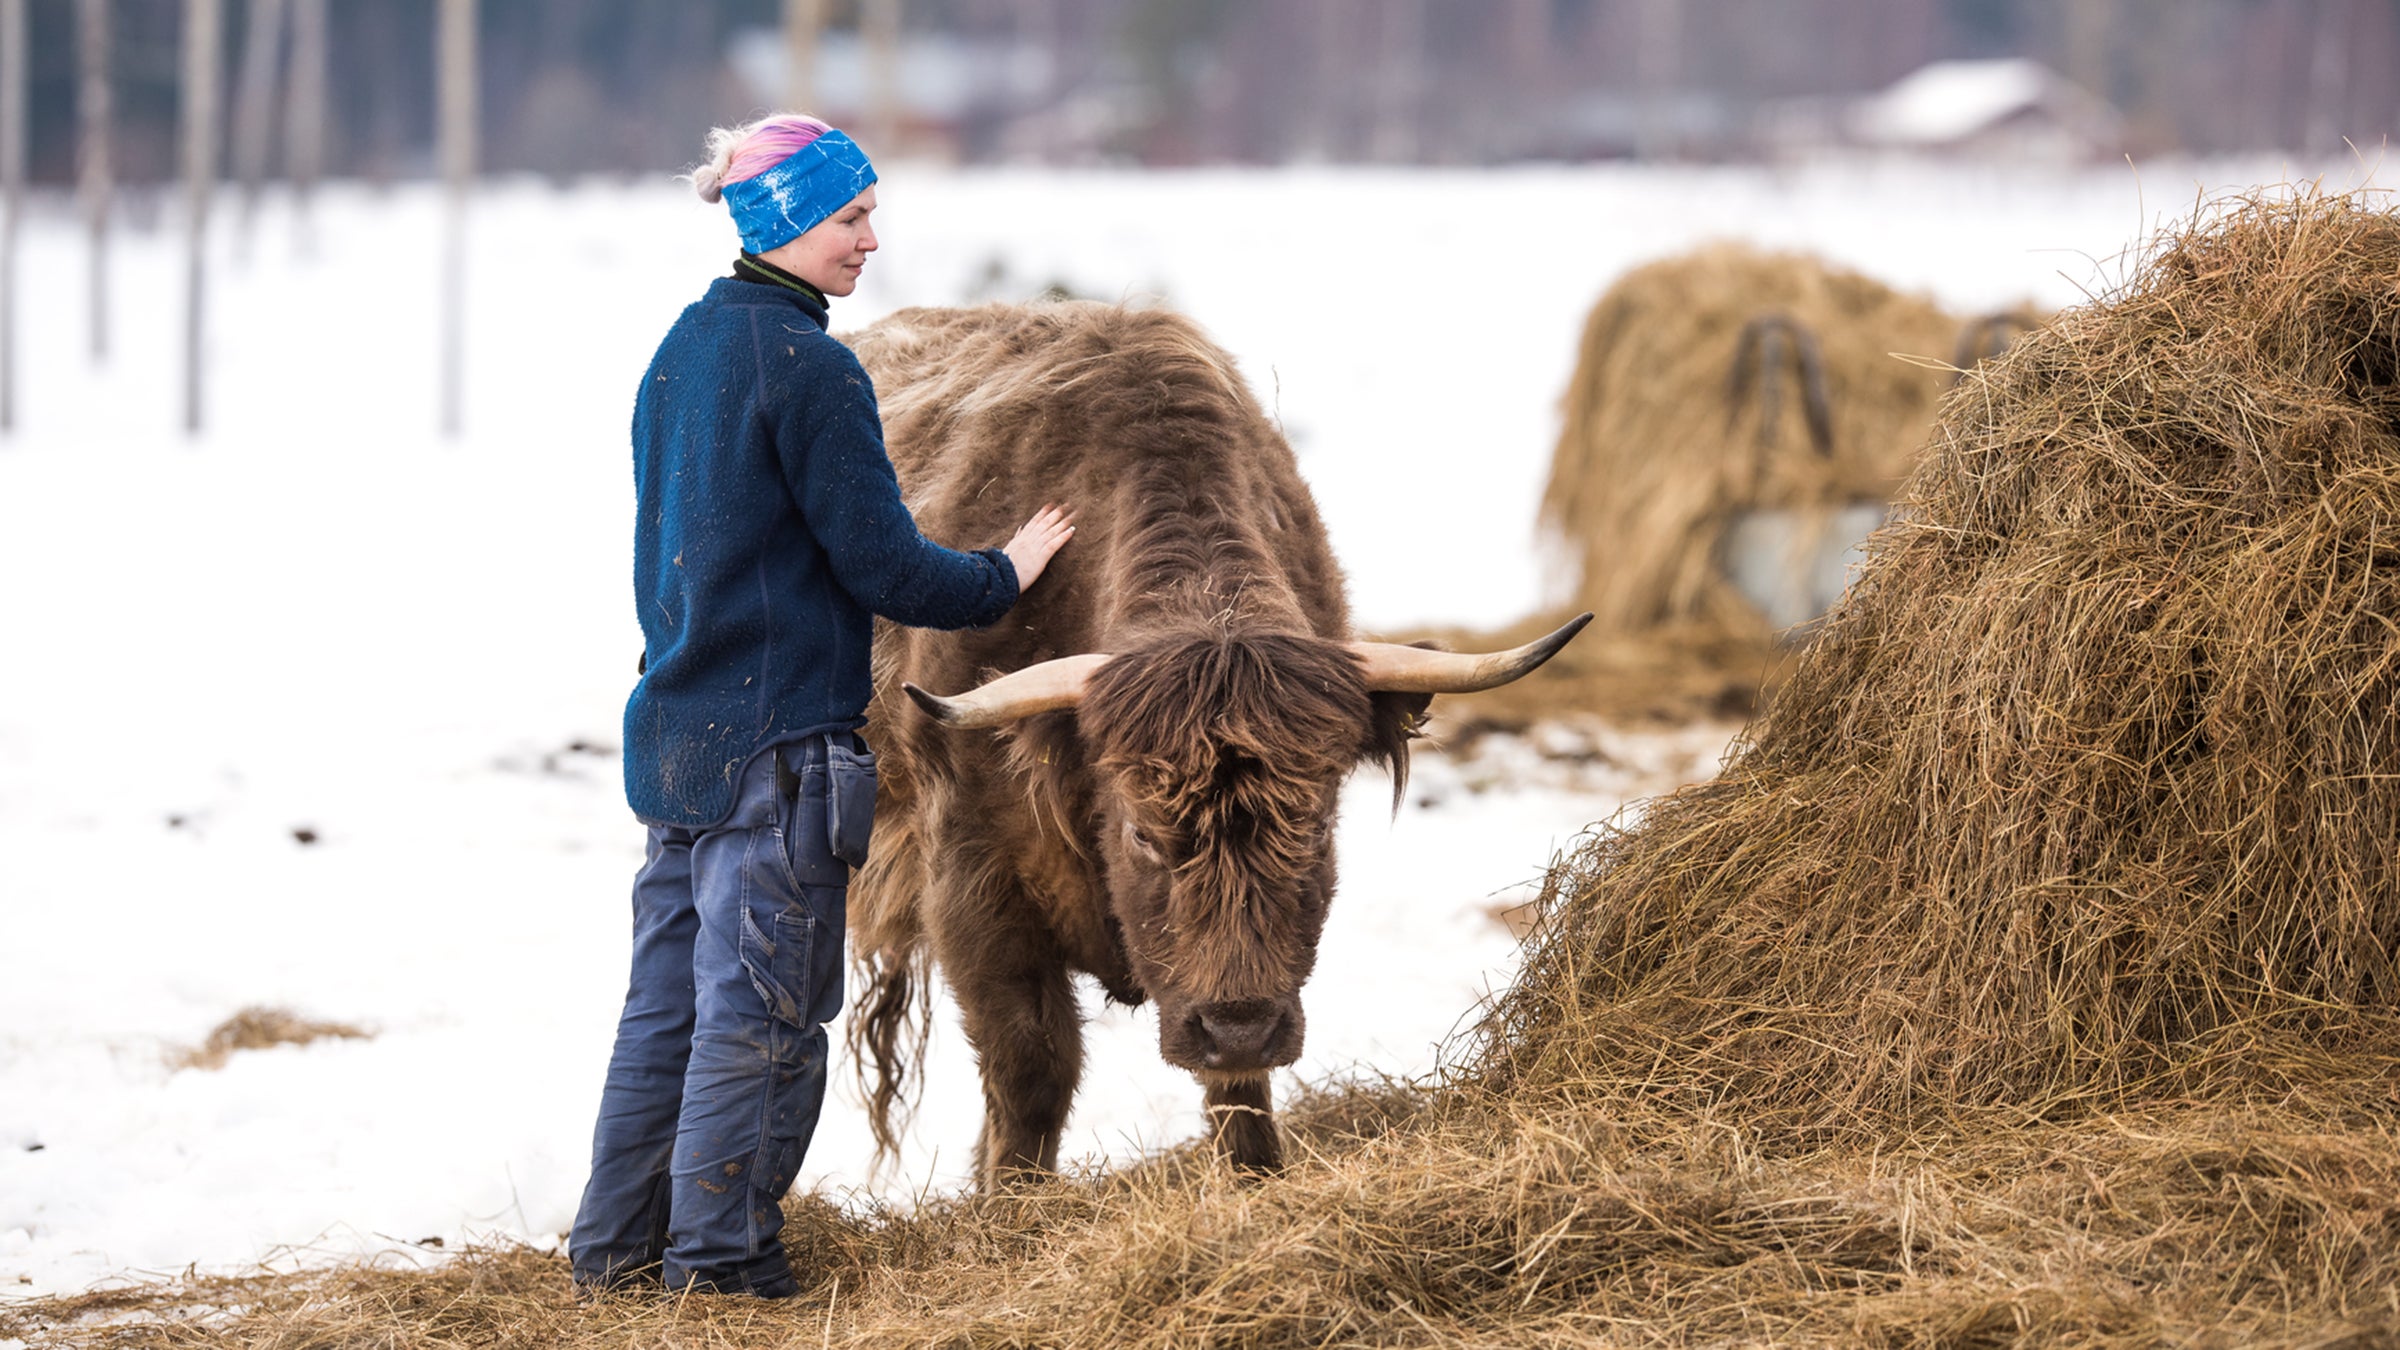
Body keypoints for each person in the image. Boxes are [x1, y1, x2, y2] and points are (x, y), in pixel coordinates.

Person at [568, 113, 1074, 1299]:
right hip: (779, 752)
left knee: (668, 1017)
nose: (871, 241)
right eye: (850, 217)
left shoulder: (682, 352)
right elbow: (890, 571)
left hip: (679, 734)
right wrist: (1007, 571)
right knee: (767, 1021)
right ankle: (723, 1268)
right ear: (787, 222)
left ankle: (615, 1252)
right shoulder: (809, 367)